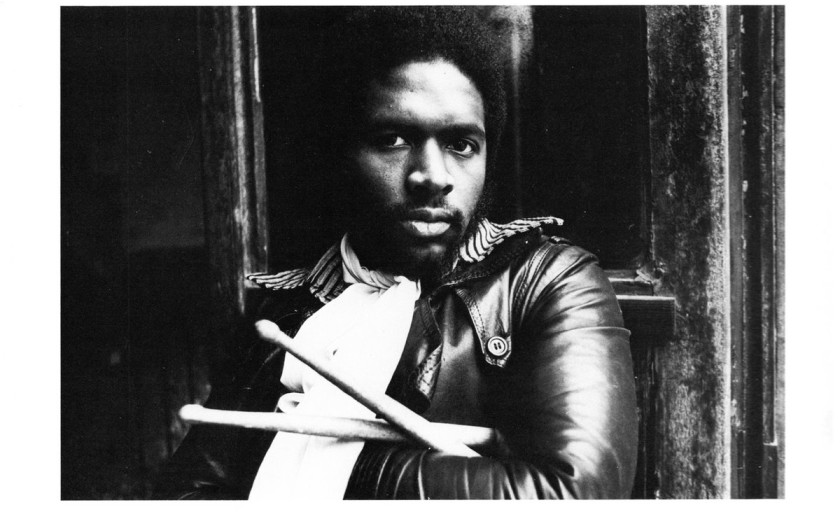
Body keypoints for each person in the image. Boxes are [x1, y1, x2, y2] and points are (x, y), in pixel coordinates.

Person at [154, 6, 638, 500]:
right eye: (393, 139)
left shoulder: (548, 282)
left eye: (461, 144)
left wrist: (322, 461)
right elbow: (190, 494)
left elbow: (574, 495)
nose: (433, 176)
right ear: (339, 154)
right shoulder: (283, 310)